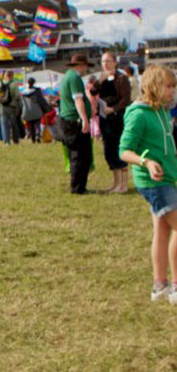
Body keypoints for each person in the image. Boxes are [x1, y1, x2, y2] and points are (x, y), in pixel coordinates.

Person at [119, 65, 177, 303]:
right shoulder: (139, 114)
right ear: (153, 86)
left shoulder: (162, 111)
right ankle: (174, 286)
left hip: (168, 178)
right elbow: (124, 151)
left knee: (162, 231)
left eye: (174, 86)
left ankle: (159, 285)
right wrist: (146, 162)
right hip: (154, 183)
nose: (173, 91)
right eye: (169, 86)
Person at [89, 52, 131, 193]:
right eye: (103, 61)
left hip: (117, 117)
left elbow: (126, 99)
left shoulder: (122, 78)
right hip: (105, 118)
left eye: (108, 61)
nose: (105, 64)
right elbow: (93, 91)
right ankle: (116, 183)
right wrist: (100, 80)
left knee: (118, 148)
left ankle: (123, 184)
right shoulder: (102, 78)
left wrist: (112, 109)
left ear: (115, 62)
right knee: (109, 150)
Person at [59, 54, 94, 194]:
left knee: (76, 153)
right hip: (74, 121)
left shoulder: (67, 76)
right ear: (82, 65)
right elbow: (78, 100)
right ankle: (78, 187)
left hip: (68, 120)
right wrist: (84, 119)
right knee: (80, 155)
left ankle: (78, 186)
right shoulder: (75, 78)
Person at [21, 77, 48, 143]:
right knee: (37, 124)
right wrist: (45, 109)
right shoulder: (37, 91)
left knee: (31, 125)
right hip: (37, 110)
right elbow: (41, 100)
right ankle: (37, 136)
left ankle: (33, 138)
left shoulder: (23, 92)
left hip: (28, 110)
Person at [0, 71, 21, 145]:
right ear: (12, 76)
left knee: (4, 124)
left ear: (5, 76)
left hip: (3, 106)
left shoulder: (0, 84)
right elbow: (17, 96)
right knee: (14, 124)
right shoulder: (14, 84)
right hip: (12, 107)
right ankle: (15, 140)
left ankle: (6, 141)